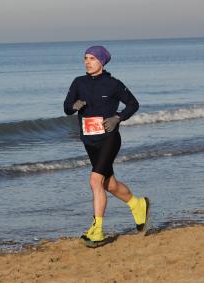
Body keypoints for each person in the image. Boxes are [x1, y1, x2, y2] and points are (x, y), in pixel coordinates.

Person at [63, 45, 149, 247]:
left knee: (95, 181)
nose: (87, 62)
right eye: (85, 58)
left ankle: (98, 230)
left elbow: (133, 104)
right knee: (108, 184)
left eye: (92, 58)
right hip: (89, 141)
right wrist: (73, 106)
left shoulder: (113, 84)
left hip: (109, 138)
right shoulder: (78, 82)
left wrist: (118, 118)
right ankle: (138, 204)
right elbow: (66, 108)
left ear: (101, 61)